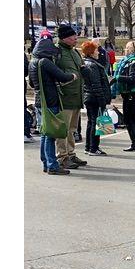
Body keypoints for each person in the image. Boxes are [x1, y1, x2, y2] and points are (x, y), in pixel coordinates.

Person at [29, 35, 78, 175]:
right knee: (50, 134)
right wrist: (73, 76)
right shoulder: (45, 62)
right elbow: (62, 76)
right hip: (50, 101)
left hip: (39, 101)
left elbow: (32, 83)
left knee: (45, 133)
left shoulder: (33, 62)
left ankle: (46, 162)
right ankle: (52, 165)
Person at [53, 25, 86, 169]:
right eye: (73, 36)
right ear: (65, 38)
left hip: (76, 97)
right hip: (64, 98)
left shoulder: (75, 53)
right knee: (63, 130)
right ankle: (62, 156)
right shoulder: (57, 52)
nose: (76, 38)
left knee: (72, 129)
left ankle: (71, 153)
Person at [80, 40, 112, 156]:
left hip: (90, 97)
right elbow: (96, 85)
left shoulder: (88, 63)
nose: (98, 52)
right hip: (94, 97)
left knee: (91, 122)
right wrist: (102, 100)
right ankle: (93, 148)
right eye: (96, 49)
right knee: (95, 123)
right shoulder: (93, 65)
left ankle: (89, 147)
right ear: (91, 52)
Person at [113, 42, 135, 152]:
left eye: (127, 48)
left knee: (129, 119)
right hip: (130, 94)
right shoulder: (133, 61)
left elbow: (132, 78)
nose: (125, 50)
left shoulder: (134, 62)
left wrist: (118, 77)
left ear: (131, 50)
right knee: (131, 119)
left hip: (131, 94)